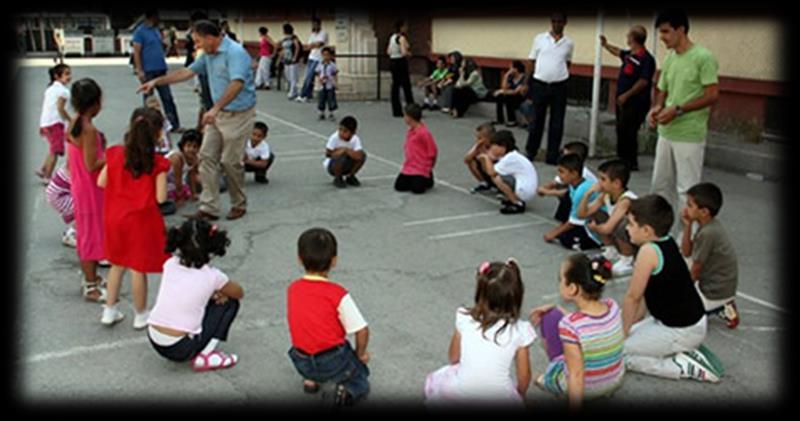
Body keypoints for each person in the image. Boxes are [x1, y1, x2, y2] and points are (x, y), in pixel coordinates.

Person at [138, 20, 257, 222]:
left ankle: (239, 204)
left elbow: (237, 83)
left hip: (238, 115)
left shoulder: (235, 53)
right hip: (217, 113)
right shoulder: (208, 55)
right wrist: (157, 82)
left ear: (211, 37)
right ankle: (209, 206)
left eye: (198, 41)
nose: (197, 46)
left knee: (230, 161)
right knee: (206, 156)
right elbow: (187, 72)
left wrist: (215, 108)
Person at [622, 195, 724, 383]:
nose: (627, 228)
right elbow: (645, 294)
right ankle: (682, 349)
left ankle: (682, 366)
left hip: (682, 330)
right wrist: (632, 326)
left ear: (646, 230)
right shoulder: (666, 241)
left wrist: (623, 332)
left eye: (630, 224)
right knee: (624, 341)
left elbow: (632, 297)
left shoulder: (648, 252)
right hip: (684, 322)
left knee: (617, 354)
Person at [97, 107, 171, 328]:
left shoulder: (116, 153)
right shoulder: (157, 163)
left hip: (115, 217)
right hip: (141, 220)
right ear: (157, 134)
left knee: (116, 264)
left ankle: (109, 310)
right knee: (138, 268)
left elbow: (101, 182)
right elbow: (160, 198)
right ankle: (141, 314)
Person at [424, 258, 533, 407]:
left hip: (460, 394)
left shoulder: (465, 318)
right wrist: (520, 395)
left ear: (480, 294)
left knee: (441, 378)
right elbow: (524, 377)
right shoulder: (520, 330)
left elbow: (454, 357)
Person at [648, 9, 719, 236]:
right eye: (661, 32)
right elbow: (662, 88)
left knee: (686, 191)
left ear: (681, 30)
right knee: (660, 185)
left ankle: (686, 239)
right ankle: (659, 232)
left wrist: (678, 110)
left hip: (689, 134)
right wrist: (657, 107)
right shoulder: (670, 58)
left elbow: (711, 95)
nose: (662, 37)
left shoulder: (703, 57)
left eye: (667, 32)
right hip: (666, 131)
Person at [287, 228, 370, 407]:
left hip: (300, 359)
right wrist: (360, 354)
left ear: (299, 258)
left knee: (310, 338)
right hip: (332, 361)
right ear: (334, 261)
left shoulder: (293, 289)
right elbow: (362, 330)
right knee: (361, 376)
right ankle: (343, 393)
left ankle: (311, 380)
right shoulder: (337, 294)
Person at [148, 219, 244, 372]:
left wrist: (213, 292)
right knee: (231, 302)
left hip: (154, 338)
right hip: (181, 348)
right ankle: (206, 355)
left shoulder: (170, 264)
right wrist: (218, 291)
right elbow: (239, 293)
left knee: (205, 300)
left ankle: (197, 342)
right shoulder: (213, 276)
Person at [529, 254, 624, 408]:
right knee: (556, 315)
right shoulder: (612, 306)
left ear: (572, 288)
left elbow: (576, 375)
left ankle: (547, 379)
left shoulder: (569, 326)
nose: (559, 284)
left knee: (549, 319)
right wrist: (558, 308)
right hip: (615, 379)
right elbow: (588, 326)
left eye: (561, 280)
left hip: (588, 389)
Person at [66, 78, 108, 303]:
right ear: (95, 103)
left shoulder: (75, 121)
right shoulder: (89, 129)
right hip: (90, 188)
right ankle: (90, 284)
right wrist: (110, 156)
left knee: (87, 231)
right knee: (90, 236)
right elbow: (92, 163)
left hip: (80, 185)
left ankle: (92, 277)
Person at [680, 182, 739, 328]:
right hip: (722, 286)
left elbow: (696, 269)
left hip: (714, 290)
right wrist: (687, 225)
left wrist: (681, 293)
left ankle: (719, 306)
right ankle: (723, 303)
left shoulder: (708, 233)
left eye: (690, 205)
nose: (685, 209)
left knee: (677, 310)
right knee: (681, 262)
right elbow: (686, 252)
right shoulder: (708, 225)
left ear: (704, 211)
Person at [600, 26, 656, 172]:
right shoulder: (630, 54)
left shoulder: (646, 59)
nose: (627, 37)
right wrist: (605, 45)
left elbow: (643, 81)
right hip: (622, 100)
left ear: (633, 38)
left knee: (629, 130)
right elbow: (617, 52)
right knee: (621, 129)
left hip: (636, 101)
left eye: (629, 35)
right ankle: (621, 159)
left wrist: (627, 94)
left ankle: (631, 162)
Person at [525, 12, 574, 164]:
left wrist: (560, 75)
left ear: (565, 23)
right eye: (554, 21)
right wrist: (528, 82)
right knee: (536, 120)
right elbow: (531, 61)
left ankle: (552, 155)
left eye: (559, 22)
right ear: (550, 22)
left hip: (559, 86)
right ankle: (531, 151)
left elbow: (567, 62)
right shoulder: (540, 39)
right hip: (540, 83)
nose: (556, 24)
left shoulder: (568, 43)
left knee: (557, 121)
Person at [578, 159, 638, 277]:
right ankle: (612, 250)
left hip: (635, 239)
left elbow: (608, 229)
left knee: (622, 224)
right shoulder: (606, 195)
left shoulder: (625, 200)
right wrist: (587, 194)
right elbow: (582, 214)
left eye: (603, 179)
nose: (599, 183)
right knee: (596, 215)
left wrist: (596, 228)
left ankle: (628, 259)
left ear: (616, 183)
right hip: (618, 234)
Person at [542, 153, 602, 251]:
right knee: (566, 197)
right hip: (586, 218)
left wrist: (553, 233)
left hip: (595, 224)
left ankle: (596, 242)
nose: (559, 176)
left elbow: (573, 222)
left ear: (574, 174)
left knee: (566, 239)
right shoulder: (573, 184)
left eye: (562, 172)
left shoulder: (581, 191)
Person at [133, 10, 180, 131]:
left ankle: (173, 124)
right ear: (151, 17)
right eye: (156, 17)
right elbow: (137, 51)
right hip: (148, 70)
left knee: (167, 98)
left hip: (160, 68)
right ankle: (149, 125)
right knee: (149, 100)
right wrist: (139, 70)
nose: (158, 19)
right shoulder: (140, 32)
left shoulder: (156, 30)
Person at [476, 130, 539, 214]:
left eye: (493, 146)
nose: (491, 149)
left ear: (502, 146)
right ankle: (513, 198)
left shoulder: (510, 158)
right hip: (525, 187)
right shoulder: (511, 155)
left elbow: (491, 172)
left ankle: (517, 203)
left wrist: (485, 157)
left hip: (524, 190)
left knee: (497, 178)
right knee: (500, 176)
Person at [537, 142, 597, 224]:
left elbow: (567, 192)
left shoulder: (584, 174)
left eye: (566, 155)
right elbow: (556, 182)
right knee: (561, 188)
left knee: (566, 194)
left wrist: (547, 192)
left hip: (588, 204)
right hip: (575, 196)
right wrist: (543, 189)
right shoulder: (568, 170)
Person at [37, 64, 72, 183]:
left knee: (52, 149)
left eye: (69, 73)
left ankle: (43, 169)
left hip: (45, 122)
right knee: (55, 151)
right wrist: (70, 120)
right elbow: (60, 108)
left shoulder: (50, 89)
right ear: (57, 76)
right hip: (55, 123)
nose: (69, 76)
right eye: (66, 74)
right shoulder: (63, 92)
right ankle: (47, 176)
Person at [395, 103, 437, 194]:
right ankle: (416, 178)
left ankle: (427, 177)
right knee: (399, 186)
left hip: (421, 166)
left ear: (409, 117)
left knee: (417, 190)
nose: (404, 118)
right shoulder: (411, 131)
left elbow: (433, 151)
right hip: (410, 165)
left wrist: (430, 167)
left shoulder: (424, 133)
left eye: (405, 115)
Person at [165, 129, 202, 211]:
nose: (191, 149)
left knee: (188, 191)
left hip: (177, 181)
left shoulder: (195, 158)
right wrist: (179, 197)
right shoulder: (177, 158)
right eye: (188, 146)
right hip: (166, 180)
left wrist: (194, 193)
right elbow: (177, 178)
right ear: (183, 146)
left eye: (195, 147)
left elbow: (191, 175)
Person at [325, 116, 366, 188]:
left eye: (345, 131)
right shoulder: (334, 137)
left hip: (347, 164)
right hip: (333, 166)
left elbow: (359, 155)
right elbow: (328, 154)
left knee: (363, 155)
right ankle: (338, 178)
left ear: (353, 132)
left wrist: (347, 151)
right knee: (341, 157)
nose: (341, 133)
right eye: (340, 130)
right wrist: (340, 152)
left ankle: (350, 176)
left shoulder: (355, 139)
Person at [297, 17, 329, 103]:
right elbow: (308, 46)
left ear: (319, 24)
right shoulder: (312, 34)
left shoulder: (323, 33)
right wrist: (312, 45)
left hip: (319, 58)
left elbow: (319, 44)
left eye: (316, 24)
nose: (314, 26)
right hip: (311, 57)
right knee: (308, 77)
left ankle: (303, 95)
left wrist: (312, 45)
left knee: (309, 76)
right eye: (313, 24)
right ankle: (308, 95)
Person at [46, 164, 77, 248]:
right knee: (91, 207)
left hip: (57, 193)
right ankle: (72, 233)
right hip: (61, 196)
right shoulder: (80, 158)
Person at [387, 20, 414, 118]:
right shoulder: (402, 38)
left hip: (393, 61)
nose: (406, 28)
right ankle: (411, 109)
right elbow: (404, 52)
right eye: (405, 26)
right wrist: (409, 54)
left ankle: (396, 110)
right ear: (401, 27)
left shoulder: (392, 37)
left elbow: (388, 51)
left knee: (395, 86)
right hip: (400, 62)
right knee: (406, 86)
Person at [492, 60, 528, 127]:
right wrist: (506, 76)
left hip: (520, 97)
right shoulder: (511, 77)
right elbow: (504, 87)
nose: (509, 70)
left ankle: (512, 120)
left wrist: (502, 91)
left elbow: (516, 92)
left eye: (511, 68)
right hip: (511, 95)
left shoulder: (524, 78)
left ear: (516, 69)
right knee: (500, 96)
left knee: (509, 97)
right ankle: (500, 119)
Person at [465, 122, 497, 193]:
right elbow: (466, 160)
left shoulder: (497, 146)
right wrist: (476, 149)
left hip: (497, 171)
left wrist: (484, 154)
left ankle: (499, 186)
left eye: (480, 138)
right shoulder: (479, 146)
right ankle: (484, 183)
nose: (478, 140)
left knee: (483, 159)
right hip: (487, 171)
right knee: (471, 161)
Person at [279, 23, 303, 100]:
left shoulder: (294, 38)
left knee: (293, 76)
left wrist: (295, 57)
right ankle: (294, 90)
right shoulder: (284, 39)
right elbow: (283, 49)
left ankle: (292, 92)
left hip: (292, 59)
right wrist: (281, 57)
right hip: (286, 59)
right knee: (288, 76)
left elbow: (297, 47)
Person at [315, 47, 339, 121]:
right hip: (322, 84)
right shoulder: (320, 64)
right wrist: (319, 80)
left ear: (330, 56)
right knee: (321, 99)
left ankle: (331, 113)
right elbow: (318, 73)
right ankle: (321, 112)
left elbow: (335, 74)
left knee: (331, 99)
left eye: (327, 55)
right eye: (324, 55)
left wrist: (336, 83)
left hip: (330, 84)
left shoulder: (332, 65)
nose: (326, 57)